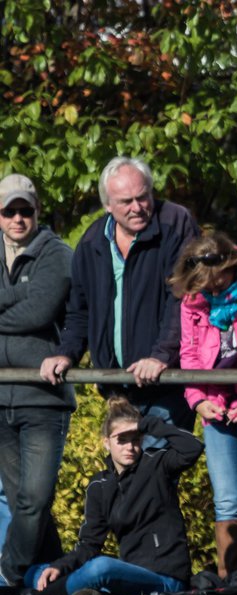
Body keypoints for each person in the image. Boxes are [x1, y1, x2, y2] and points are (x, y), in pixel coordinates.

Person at [39, 157, 199, 435]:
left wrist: (161, 355)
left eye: (143, 197)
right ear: (107, 205)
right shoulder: (92, 242)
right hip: (117, 388)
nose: (137, 208)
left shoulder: (175, 222)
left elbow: (183, 297)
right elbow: (80, 310)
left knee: (154, 470)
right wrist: (66, 353)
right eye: (126, 201)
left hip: (166, 381)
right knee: (126, 474)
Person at [171, 233, 237, 579]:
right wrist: (197, 400)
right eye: (204, 286)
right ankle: (229, 580)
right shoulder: (193, 298)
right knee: (227, 500)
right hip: (214, 405)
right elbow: (188, 354)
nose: (212, 292)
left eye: (217, 283)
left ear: (230, 266)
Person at [24, 397, 202, 595]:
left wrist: (147, 424)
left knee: (101, 567)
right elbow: (89, 544)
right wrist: (59, 567)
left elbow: (193, 448)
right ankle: (91, 593)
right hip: (128, 573)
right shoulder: (99, 485)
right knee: (37, 571)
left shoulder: (157, 464)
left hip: (166, 579)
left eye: (135, 439)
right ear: (106, 443)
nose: (130, 447)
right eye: (122, 440)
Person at [0, 173, 75, 589]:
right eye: (8, 210)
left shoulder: (57, 253)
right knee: (22, 502)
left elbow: (40, 313)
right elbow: (26, 307)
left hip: (42, 398)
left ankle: (8, 576)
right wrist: (19, 297)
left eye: (24, 209)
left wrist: (17, 303)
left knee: (34, 499)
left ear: (37, 211)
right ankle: (50, 579)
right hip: (1, 398)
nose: (17, 218)